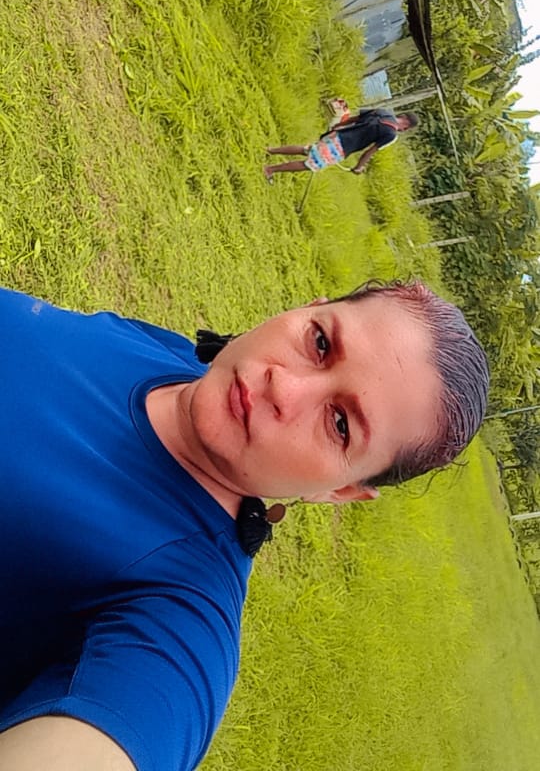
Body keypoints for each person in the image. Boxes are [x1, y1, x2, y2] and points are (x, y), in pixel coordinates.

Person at [0, 280, 489, 771]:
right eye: (320, 343)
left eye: (340, 424)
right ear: (308, 307)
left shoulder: (179, 611)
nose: (284, 387)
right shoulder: (180, 362)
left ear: (339, 491)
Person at [263, 109, 418, 181]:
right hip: (341, 148)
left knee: (307, 150)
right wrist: (358, 167)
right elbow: (369, 152)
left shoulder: (383, 112)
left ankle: (270, 150)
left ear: (402, 115)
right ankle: (270, 169)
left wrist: (337, 126)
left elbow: (354, 118)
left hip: (337, 135)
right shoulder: (391, 134)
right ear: (406, 127)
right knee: (309, 164)